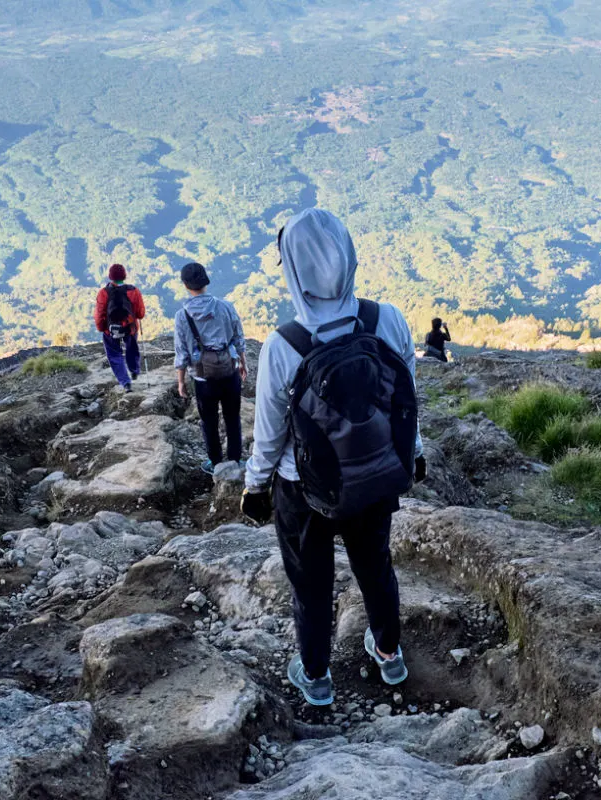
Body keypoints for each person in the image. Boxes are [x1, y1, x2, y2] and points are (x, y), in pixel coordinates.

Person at [241, 208, 427, 707]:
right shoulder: (386, 319)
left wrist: (254, 488)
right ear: (348, 255)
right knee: (376, 567)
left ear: (292, 270)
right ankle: (389, 653)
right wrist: (415, 454)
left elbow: (269, 434)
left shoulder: (284, 346)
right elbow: (406, 397)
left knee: (311, 583)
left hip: (304, 489)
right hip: (374, 474)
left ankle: (317, 676)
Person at [175, 262, 248, 475]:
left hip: (202, 378)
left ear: (185, 284)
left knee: (209, 421)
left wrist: (181, 382)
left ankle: (215, 463)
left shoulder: (182, 316)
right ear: (206, 281)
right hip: (229, 371)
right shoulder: (226, 306)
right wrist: (243, 363)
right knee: (232, 417)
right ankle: (235, 459)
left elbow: (182, 353)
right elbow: (238, 338)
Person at [95, 264, 146, 392]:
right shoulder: (134, 291)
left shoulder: (103, 293)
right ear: (124, 276)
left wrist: (102, 328)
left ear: (110, 277)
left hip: (110, 330)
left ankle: (125, 383)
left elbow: (99, 314)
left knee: (114, 354)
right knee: (131, 348)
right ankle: (134, 370)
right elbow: (140, 313)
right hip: (130, 327)